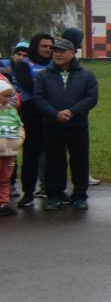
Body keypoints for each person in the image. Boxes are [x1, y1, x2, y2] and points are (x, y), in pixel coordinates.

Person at [30, 36, 97, 210]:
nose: (58, 55)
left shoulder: (86, 75)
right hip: (53, 125)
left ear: (73, 53)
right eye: (55, 51)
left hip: (78, 125)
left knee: (80, 161)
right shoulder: (44, 75)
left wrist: (72, 111)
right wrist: (55, 113)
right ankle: (54, 195)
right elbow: (39, 97)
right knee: (54, 162)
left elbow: (91, 97)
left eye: (62, 51)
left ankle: (80, 195)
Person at [9, 33, 55, 208]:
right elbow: (29, 86)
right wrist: (52, 89)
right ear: (35, 47)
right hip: (32, 112)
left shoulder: (55, 64)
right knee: (31, 154)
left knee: (53, 154)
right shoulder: (24, 65)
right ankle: (28, 193)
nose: (48, 50)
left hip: (52, 111)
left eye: (51, 47)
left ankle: (54, 190)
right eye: (44, 46)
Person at [0, 68, 20, 216]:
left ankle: (3, 203)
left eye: (9, 96)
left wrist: (19, 140)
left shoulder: (12, 111)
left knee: (5, 178)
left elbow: (20, 127)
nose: (8, 99)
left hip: (10, 151)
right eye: (5, 96)